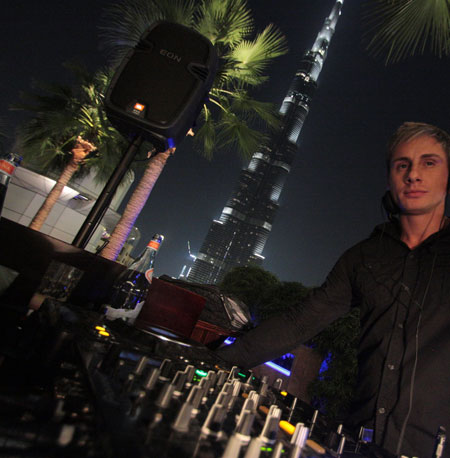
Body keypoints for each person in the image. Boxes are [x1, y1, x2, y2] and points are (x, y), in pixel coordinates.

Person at [216, 122, 450, 458]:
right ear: (390, 178)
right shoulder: (363, 257)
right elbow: (300, 321)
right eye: (403, 165)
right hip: (357, 443)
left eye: (429, 163)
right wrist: (214, 361)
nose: (413, 175)